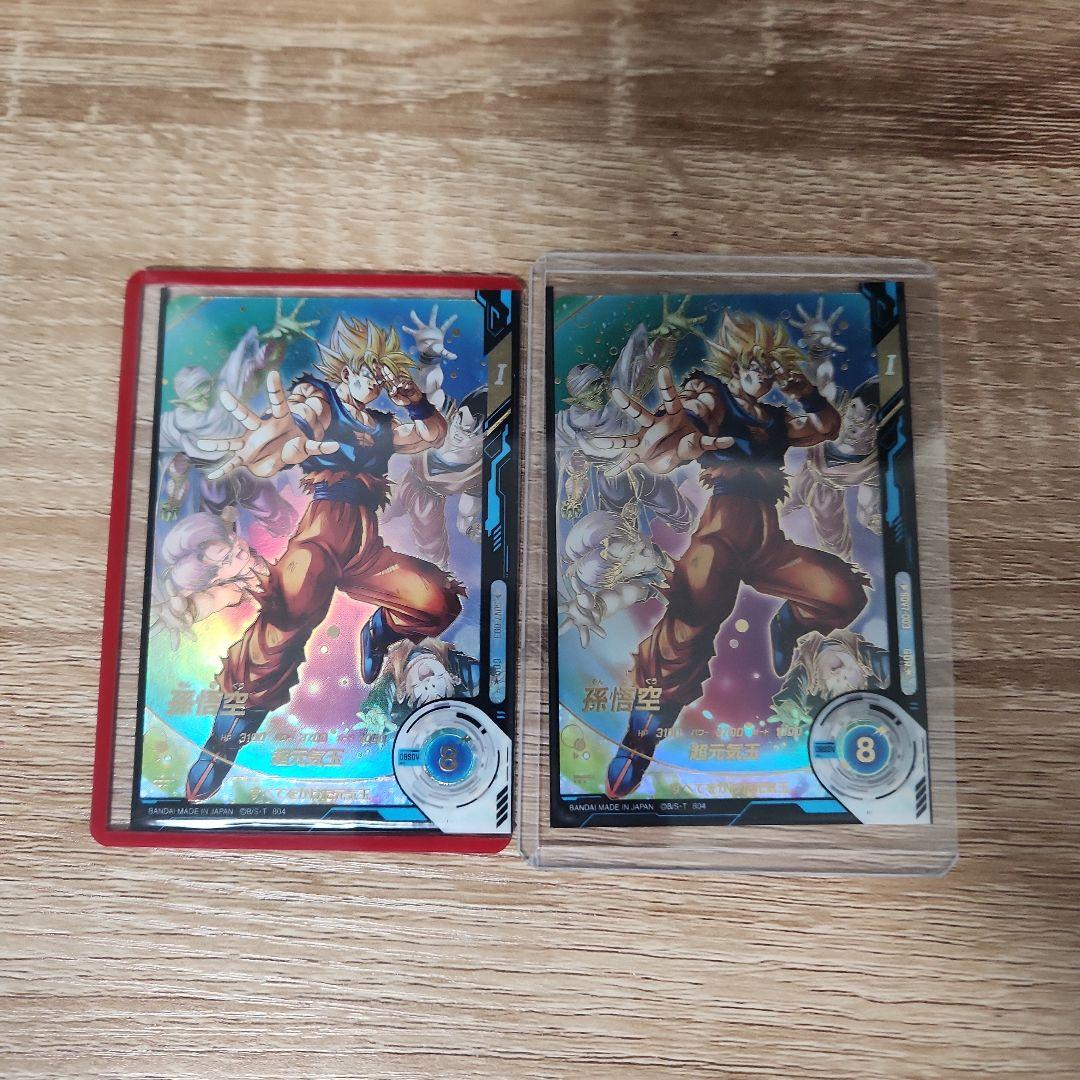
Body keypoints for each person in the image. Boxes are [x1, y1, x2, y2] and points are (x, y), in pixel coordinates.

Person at [183, 312, 464, 801]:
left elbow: (431, 435)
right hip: (318, 541)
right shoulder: (321, 400)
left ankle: (380, 631)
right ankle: (227, 733)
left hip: (364, 550)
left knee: (438, 601)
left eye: (380, 374)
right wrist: (279, 435)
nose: (374, 381)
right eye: (367, 369)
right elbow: (297, 420)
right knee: (286, 614)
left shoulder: (382, 425)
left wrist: (416, 403)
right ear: (346, 368)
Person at [597, 311, 869, 798]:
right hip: (720, 534)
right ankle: (641, 736)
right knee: (690, 615)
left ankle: (788, 624)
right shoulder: (715, 399)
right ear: (735, 363)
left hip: (767, 543)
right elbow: (687, 422)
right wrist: (672, 434)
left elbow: (825, 426)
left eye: (769, 368)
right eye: (753, 363)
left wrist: (803, 389)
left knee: (842, 593)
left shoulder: (777, 421)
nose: (761, 375)